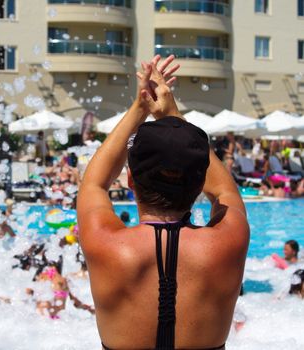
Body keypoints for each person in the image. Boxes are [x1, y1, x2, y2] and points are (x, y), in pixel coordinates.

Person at [77, 55, 249, 349]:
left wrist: (140, 106)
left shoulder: (105, 244)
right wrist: (171, 113)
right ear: (199, 185)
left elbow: (94, 183)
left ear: (130, 180)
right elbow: (224, 192)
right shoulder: (229, 241)